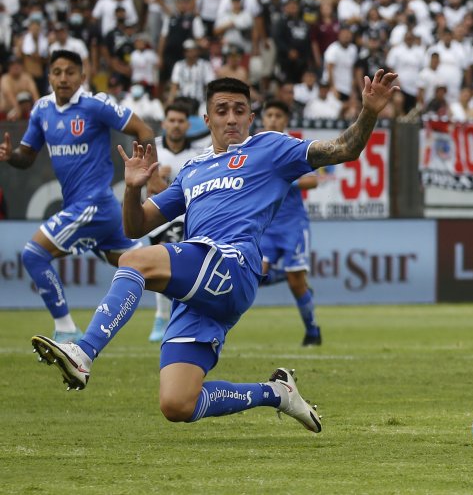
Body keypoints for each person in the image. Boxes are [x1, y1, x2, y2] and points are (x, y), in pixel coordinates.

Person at [30, 71, 398, 429]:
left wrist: (368, 111)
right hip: (202, 287)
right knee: (177, 404)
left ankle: (83, 352)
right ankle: (277, 393)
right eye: (222, 110)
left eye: (240, 110)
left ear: (251, 117)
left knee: (135, 260)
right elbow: (136, 226)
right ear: (206, 118)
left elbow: (345, 149)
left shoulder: (269, 148)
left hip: (233, 265)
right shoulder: (193, 170)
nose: (231, 118)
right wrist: (131, 188)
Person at [0, 50, 157, 343]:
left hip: (93, 205)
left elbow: (143, 129)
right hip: (93, 210)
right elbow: (28, 156)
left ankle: (66, 330)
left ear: (82, 77)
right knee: (144, 265)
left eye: (70, 72)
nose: (63, 78)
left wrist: (155, 176)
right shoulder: (41, 110)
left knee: (34, 255)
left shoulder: (94, 105)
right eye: (57, 72)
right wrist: (12, 157)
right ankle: (192, 302)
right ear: (48, 77)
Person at [257, 100, 322, 346]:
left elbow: (314, 180)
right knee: (254, 276)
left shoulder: (293, 147)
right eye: (269, 114)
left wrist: (285, 179)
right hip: (266, 227)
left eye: (278, 115)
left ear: (285, 121)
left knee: (298, 285)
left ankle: (313, 332)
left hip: (293, 226)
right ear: (263, 119)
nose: (273, 119)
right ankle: (286, 275)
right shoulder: (255, 148)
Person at [146, 102, 198, 342]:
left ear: (187, 125)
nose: (176, 126)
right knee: (164, 261)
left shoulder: (198, 155)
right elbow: (141, 188)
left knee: (177, 271)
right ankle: (161, 316)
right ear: (164, 123)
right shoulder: (152, 151)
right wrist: (155, 180)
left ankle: (168, 317)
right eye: (172, 121)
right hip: (159, 219)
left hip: (188, 220)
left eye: (181, 121)